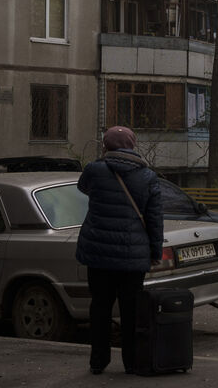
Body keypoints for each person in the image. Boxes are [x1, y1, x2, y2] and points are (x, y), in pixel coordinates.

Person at [76, 126, 163, 376]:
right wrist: (155, 252)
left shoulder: (94, 170)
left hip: (98, 253)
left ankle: (98, 361)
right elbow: (154, 219)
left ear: (106, 145)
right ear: (132, 145)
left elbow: (83, 188)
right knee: (131, 310)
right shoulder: (147, 176)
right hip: (133, 256)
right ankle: (131, 362)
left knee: (100, 308)